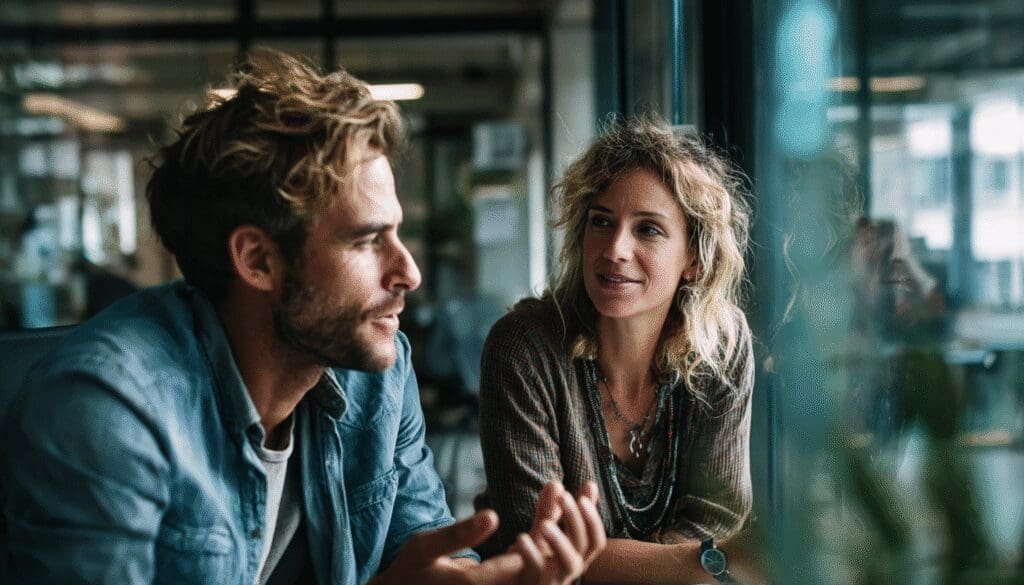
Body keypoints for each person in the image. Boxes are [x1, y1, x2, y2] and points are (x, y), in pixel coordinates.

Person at [1, 50, 605, 585]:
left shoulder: (378, 376)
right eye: (368, 241)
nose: (409, 273)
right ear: (258, 260)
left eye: (398, 234)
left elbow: (425, 555)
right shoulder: (108, 411)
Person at [477, 116, 756, 583]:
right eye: (601, 222)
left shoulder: (722, 347)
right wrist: (714, 559)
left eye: (648, 229)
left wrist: (605, 561)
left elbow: (715, 517)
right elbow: (541, 551)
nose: (615, 249)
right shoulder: (524, 347)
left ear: (693, 257)